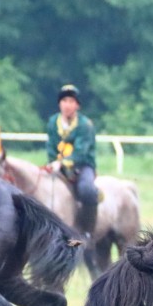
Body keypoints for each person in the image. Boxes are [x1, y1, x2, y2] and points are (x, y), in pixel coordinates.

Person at [44, 84, 98, 235]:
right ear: (59, 103)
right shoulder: (52, 122)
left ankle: (88, 231)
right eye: (64, 101)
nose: (67, 105)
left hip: (82, 166)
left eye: (71, 101)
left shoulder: (85, 125)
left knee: (87, 190)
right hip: (57, 166)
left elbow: (81, 152)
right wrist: (52, 162)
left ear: (77, 105)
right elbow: (50, 146)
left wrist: (61, 162)